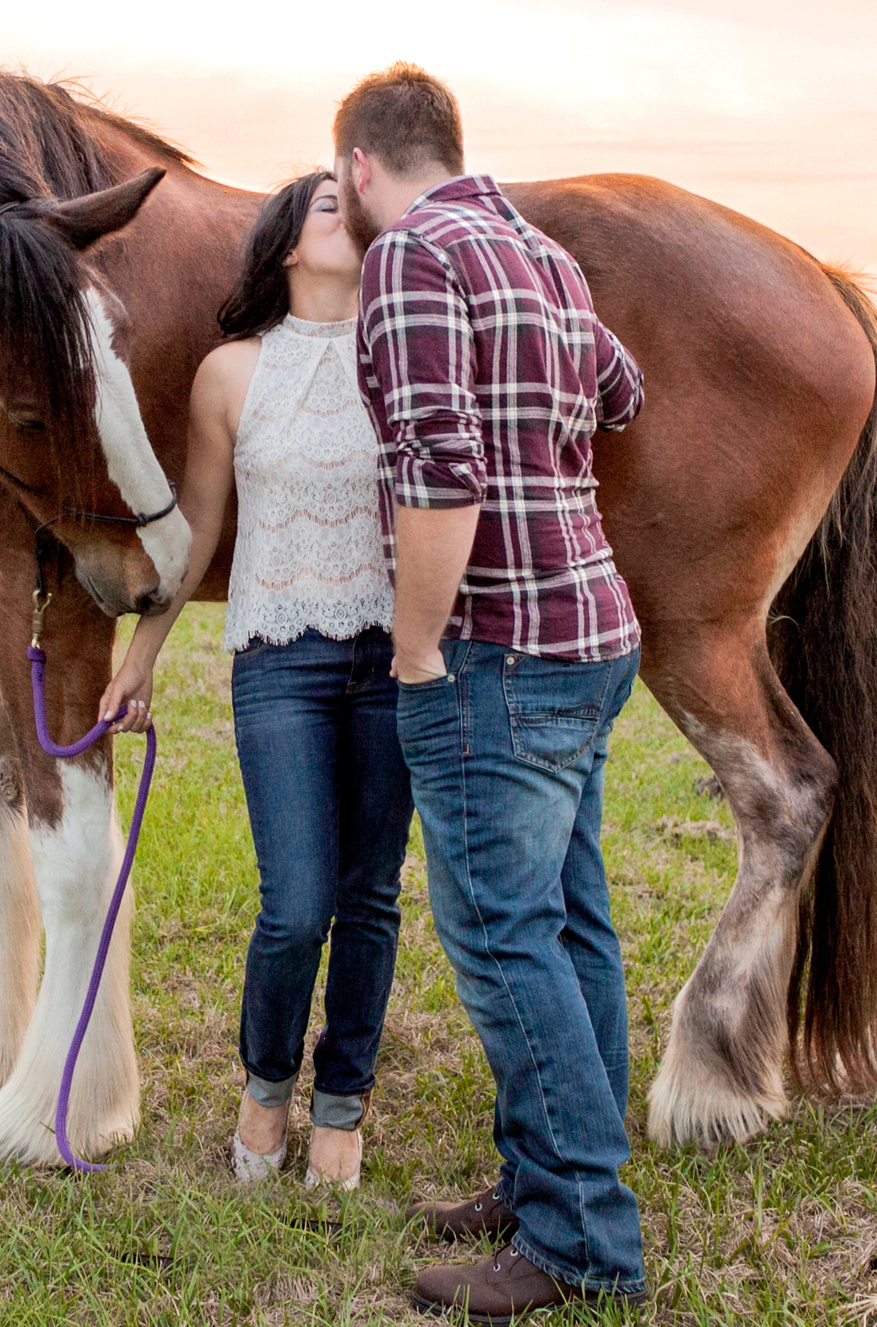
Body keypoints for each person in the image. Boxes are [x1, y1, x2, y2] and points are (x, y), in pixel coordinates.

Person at [340, 64, 648, 1317]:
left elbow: (437, 469)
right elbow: (624, 395)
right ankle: (546, 1179)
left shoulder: (413, 256)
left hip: (495, 649)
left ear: (359, 164)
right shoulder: (546, 256)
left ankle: (580, 1237)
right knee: (570, 923)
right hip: (593, 627)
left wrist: (416, 648)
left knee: (502, 936)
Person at [97, 169, 412, 1191]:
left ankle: (342, 1100)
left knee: (369, 898)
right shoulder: (230, 372)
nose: (347, 216)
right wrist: (138, 658)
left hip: (392, 660)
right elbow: (194, 529)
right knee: (296, 903)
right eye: (328, 205)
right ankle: (264, 1083)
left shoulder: (405, 355)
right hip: (279, 657)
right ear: (282, 243)